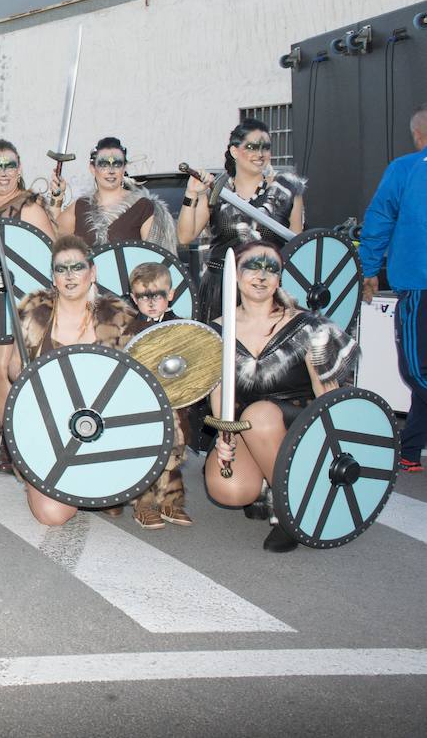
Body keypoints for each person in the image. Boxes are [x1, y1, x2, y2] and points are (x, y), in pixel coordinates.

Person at [203, 240, 357, 552]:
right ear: (234, 275)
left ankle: (292, 511)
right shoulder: (216, 330)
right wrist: (224, 436)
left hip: (300, 422)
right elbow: (220, 391)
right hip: (250, 426)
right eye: (252, 267)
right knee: (229, 489)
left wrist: (334, 449)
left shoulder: (309, 326)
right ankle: (263, 480)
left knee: (259, 414)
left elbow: (328, 394)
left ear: (279, 278)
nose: (261, 276)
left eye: (271, 268)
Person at [9, 234, 140, 526]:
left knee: (105, 488)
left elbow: (136, 387)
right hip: (44, 426)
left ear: (92, 272)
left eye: (77, 267)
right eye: (61, 269)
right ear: (53, 277)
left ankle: (99, 481)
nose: (69, 276)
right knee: (53, 515)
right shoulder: (33, 311)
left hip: (101, 426)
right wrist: (29, 376)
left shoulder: (118, 317)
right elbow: (13, 367)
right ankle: (30, 470)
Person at [0, 139, 56, 473]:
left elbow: (47, 257)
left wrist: (36, 313)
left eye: (10, 165)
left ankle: (12, 442)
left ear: (19, 168)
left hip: (15, 303)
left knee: (3, 370)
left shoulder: (29, 206)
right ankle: (1, 429)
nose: (4, 172)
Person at [177, 118, 305, 321]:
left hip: (267, 289)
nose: (260, 154)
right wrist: (191, 194)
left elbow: (300, 249)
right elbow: (184, 237)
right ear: (235, 151)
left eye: (265, 147)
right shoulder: (217, 189)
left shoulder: (287, 191)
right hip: (222, 288)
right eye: (252, 147)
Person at [359, 105, 427, 473]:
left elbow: (380, 217)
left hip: (419, 285)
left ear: (418, 136)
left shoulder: (406, 168)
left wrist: (369, 268)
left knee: (417, 370)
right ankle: (411, 450)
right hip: (418, 282)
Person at [124, 261, 192, 529]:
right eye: (143, 296)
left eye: (158, 295)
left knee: (173, 455)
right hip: (141, 404)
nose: (151, 303)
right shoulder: (129, 330)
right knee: (145, 453)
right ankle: (143, 504)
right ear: (133, 298)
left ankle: (172, 503)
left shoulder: (183, 328)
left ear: (171, 294)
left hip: (176, 402)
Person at [51, 137, 177, 251]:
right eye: (104, 164)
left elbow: (156, 263)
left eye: (117, 164)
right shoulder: (80, 206)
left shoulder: (144, 207)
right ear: (92, 169)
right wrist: (57, 198)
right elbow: (53, 236)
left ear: (124, 168)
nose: (111, 171)